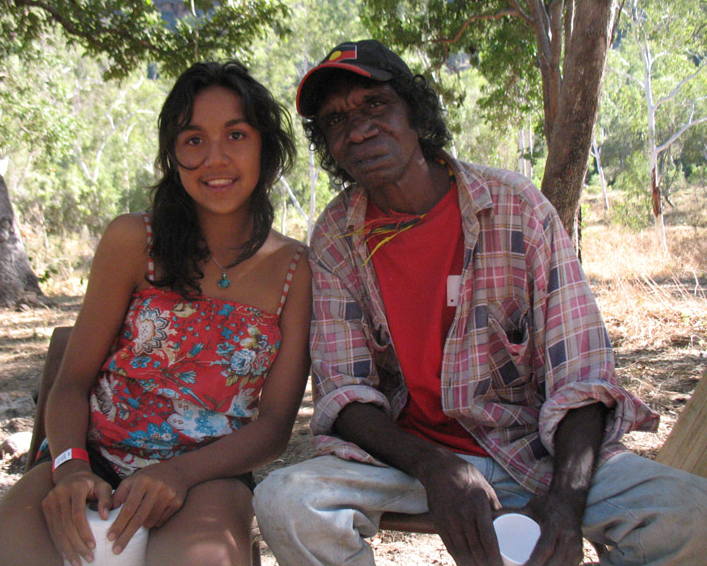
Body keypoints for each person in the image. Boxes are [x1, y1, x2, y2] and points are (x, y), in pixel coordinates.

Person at [252, 40, 707, 566]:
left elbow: (583, 376)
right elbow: (344, 393)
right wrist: (435, 466)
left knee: (691, 515)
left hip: (537, 452)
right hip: (410, 463)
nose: (357, 130)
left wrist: (565, 501)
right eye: (335, 121)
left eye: (375, 105)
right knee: (286, 501)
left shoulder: (517, 208)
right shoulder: (337, 237)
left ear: (416, 114)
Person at [0, 61, 312, 566]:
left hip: (208, 476)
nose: (215, 158)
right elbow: (71, 383)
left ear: (265, 146)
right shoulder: (132, 241)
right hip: (90, 462)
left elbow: (274, 426)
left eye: (236, 134)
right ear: (172, 154)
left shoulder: (295, 270)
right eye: (193, 140)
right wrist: (70, 468)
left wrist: (179, 475)